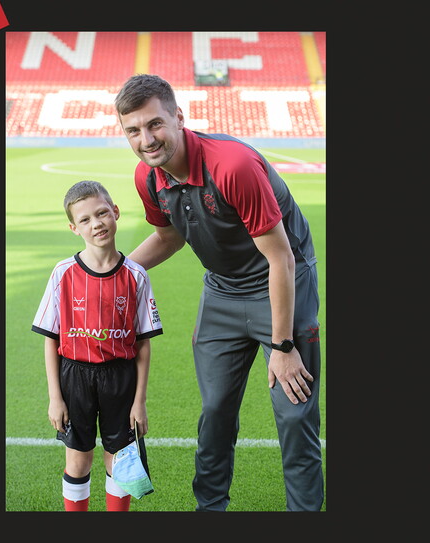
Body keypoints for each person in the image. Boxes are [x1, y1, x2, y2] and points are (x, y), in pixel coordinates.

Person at [115, 74, 322, 511]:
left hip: (282, 285)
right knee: (215, 416)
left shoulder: (233, 166)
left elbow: (281, 259)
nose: (146, 139)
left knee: (294, 416)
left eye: (154, 124)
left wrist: (283, 346)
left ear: (179, 118)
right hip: (222, 293)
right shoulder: (148, 177)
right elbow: (168, 237)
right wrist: (115, 272)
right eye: (133, 130)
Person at [31, 180, 163, 511]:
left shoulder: (136, 275)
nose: (97, 224)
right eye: (86, 220)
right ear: (74, 228)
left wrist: (140, 401)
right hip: (74, 376)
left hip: (120, 377)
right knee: (78, 462)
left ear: (115, 212)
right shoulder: (63, 273)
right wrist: (54, 397)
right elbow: (51, 338)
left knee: (119, 461)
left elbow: (144, 344)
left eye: (102, 213)